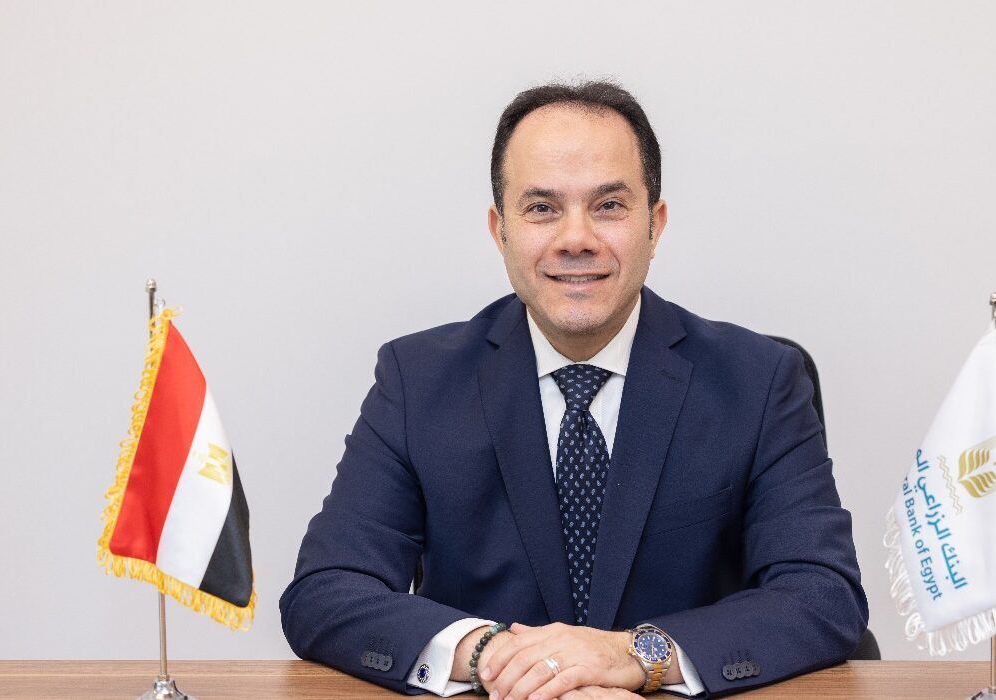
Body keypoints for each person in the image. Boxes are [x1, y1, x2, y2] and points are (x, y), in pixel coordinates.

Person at [280, 80, 868, 699]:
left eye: (609, 205)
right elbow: (326, 590)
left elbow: (821, 594)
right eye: (542, 208)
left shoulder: (760, 380)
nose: (576, 238)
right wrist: (497, 656)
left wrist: (633, 656)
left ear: (655, 224)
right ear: (500, 230)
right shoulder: (416, 380)